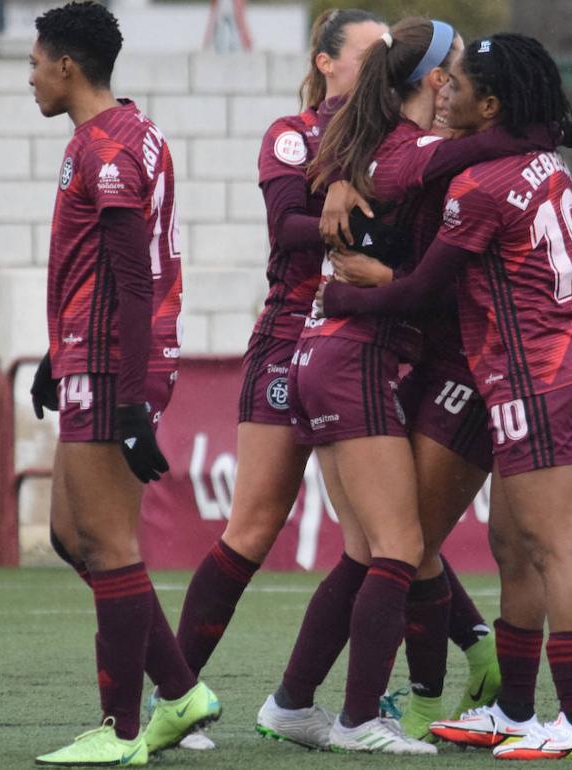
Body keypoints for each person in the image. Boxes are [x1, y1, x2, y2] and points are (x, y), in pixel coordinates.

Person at [314, 18, 572, 740]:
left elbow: (421, 290)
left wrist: (345, 295)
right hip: (545, 366)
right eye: (444, 73)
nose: (450, 89)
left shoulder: (478, 182)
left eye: (465, 82)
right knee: (515, 548)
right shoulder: (539, 162)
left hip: (536, 375)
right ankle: (513, 709)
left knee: (553, 549)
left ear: (491, 105)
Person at [162, 9, 385, 753]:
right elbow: (287, 225)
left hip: (367, 342)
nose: (385, 65)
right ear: (326, 63)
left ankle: (358, 702)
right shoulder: (295, 134)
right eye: (369, 53)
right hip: (293, 338)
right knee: (256, 525)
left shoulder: (401, 140)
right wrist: (342, 211)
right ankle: (172, 695)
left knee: (385, 534)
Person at [26, 2, 218, 765]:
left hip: (112, 360)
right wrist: (54, 352)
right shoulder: (111, 135)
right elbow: (98, 268)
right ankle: (181, 692)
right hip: (87, 350)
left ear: (68, 65)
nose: (31, 77)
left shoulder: (109, 147)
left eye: (35, 63)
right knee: (69, 536)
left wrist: (132, 394)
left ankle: (124, 731)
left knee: (105, 543)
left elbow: (134, 279)